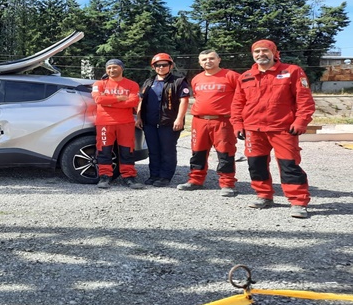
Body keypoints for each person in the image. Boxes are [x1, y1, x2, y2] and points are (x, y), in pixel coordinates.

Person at [231, 39, 316, 218]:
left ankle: (298, 201)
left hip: (283, 129)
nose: (261, 54)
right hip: (253, 129)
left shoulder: (292, 71)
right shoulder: (245, 76)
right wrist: (237, 124)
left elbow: (305, 100)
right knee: (255, 165)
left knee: (289, 165)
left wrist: (301, 121)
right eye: (257, 52)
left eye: (265, 51)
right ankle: (263, 196)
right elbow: (237, 103)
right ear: (252, 55)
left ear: (274, 53)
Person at [177, 50, 241, 196]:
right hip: (199, 121)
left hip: (223, 121)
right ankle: (195, 180)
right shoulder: (197, 79)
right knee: (197, 152)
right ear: (200, 62)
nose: (208, 61)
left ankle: (227, 183)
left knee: (225, 153)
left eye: (211, 58)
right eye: (204, 59)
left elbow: (243, 97)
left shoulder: (232, 76)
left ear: (219, 59)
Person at [135, 53, 191, 187]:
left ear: (170, 66)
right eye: (158, 65)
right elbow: (141, 100)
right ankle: (154, 175)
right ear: (153, 67)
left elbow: (184, 101)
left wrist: (179, 119)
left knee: (167, 150)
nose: (161, 67)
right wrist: (139, 117)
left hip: (169, 122)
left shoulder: (178, 81)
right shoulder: (149, 82)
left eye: (164, 65)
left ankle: (165, 176)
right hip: (150, 122)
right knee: (153, 150)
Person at [91, 59, 143, 189]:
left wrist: (109, 103)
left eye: (114, 67)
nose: (111, 70)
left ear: (121, 68)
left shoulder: (132, 84)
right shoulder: (99, 83)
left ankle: (129, 177)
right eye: (109, 68)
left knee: (127, 151)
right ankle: (105, 177)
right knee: (104, 150)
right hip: (104, 123)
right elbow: (98, 99)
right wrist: (119, 99)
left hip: (125, 123)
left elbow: (132, 102)